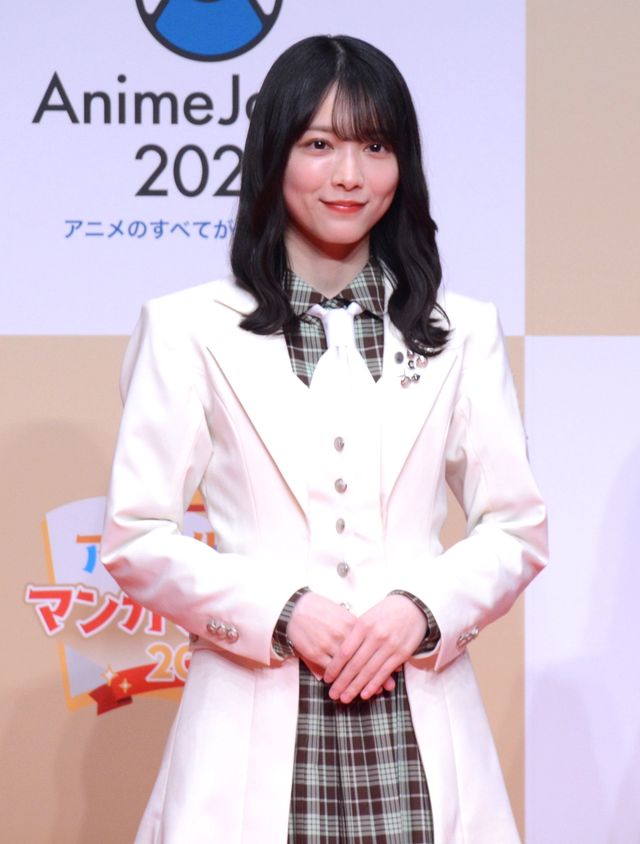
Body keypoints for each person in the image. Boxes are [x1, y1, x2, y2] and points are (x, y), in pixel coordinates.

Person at [101, 34, 548, 844]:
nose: (350, 175)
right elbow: (136, 534)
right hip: (252, 721)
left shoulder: (464, 331)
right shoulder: (186, 328)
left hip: (417, 717)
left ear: (403, 165)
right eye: (319, 145)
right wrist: (281, 610)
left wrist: (421, 609)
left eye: (375, 147)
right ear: (273, 156)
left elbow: (516, 526)